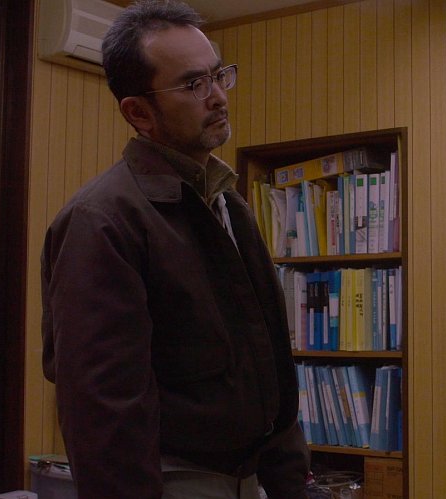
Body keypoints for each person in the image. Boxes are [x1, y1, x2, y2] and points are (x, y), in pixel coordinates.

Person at [40, 1, 309, 498]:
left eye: (219, 75)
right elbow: (102, 408)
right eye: (193, 84)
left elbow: (269, 360)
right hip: (172, 480)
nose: (219, 96)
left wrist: (290, 483)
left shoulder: (228, 202)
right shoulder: (103, 220)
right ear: (139, 112)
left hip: (249, 477)